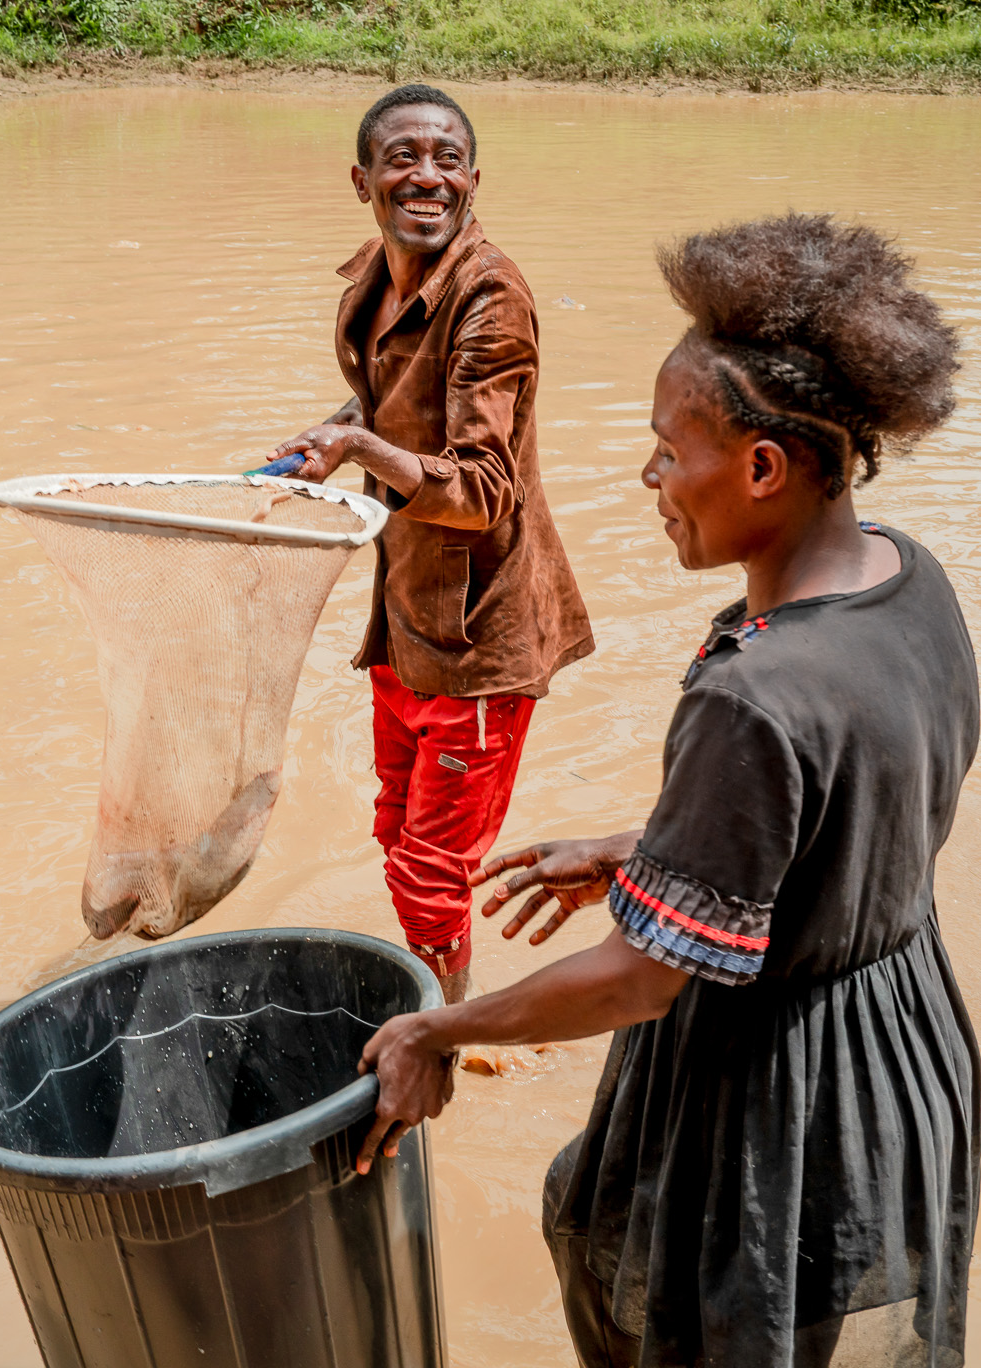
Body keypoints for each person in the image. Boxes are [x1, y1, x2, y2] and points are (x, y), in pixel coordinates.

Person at [353, 214, 980, 1367]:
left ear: (759, 467)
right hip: (900, 1050)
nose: (648, 478)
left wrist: (436, 1028)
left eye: (665, 448)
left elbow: (643, 981)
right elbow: (854, 803)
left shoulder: (755, 691)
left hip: (770, 1085)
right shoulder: (906, 578)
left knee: (672, 1303)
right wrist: (649, 848)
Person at [270, 85, 594, 1004]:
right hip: (406, 616)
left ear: (474, 180)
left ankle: (449, 1039)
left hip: (480, 634)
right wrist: (331, 441)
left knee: (430, 866)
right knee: (394, 831)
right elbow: (384, 409)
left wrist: (365, 449)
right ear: (362, 179)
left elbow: (486, 491)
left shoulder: (493, 299)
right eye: (404, 157)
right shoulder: (376, 274)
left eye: (447, 159)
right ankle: (442, 1004)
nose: (427, 176)